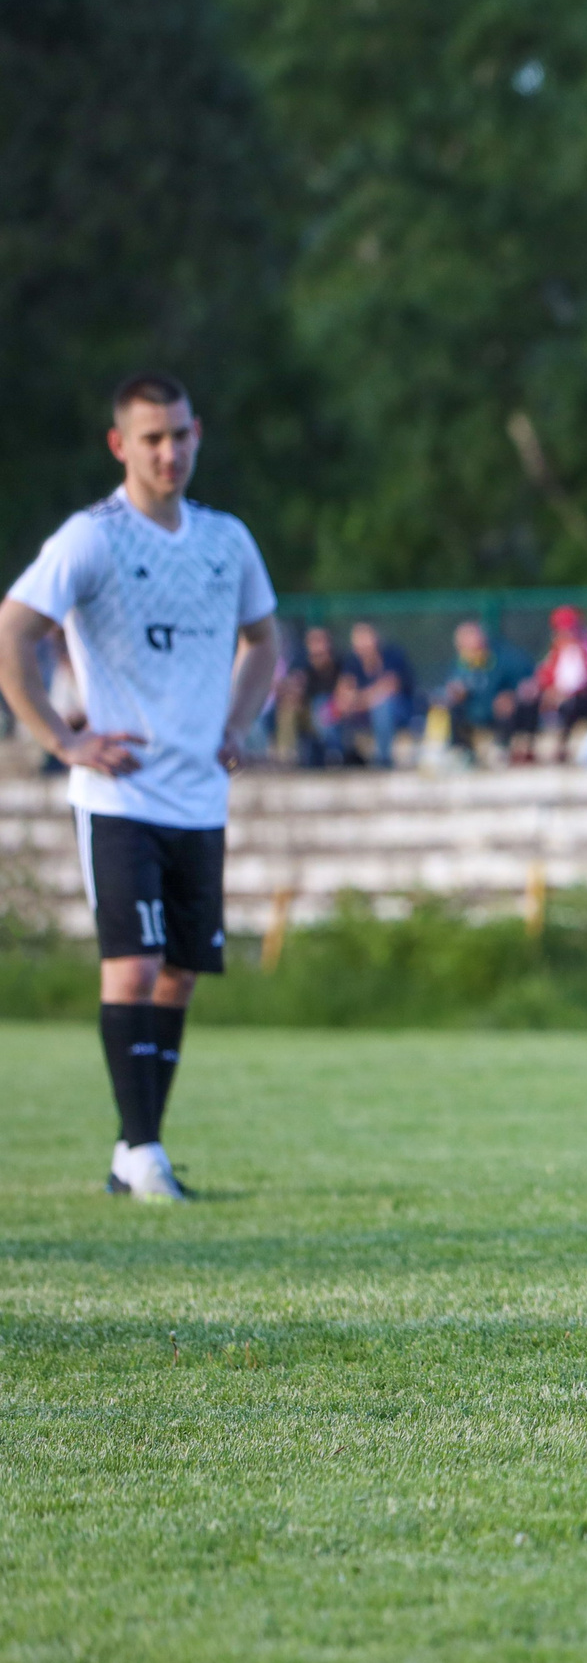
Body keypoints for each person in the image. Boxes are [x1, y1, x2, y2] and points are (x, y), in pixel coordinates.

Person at [0, 372, 280, 1202]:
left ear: (200, 434)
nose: (171, 451)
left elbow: (262, 639)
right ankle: (144, 1147)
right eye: (152, 438)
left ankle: (137, 1154)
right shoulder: (92, 538)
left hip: (200, 795)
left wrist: (235, 723)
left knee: (179, 972)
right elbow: (12, 629)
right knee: (132, 964)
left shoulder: (227, 539)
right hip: (120, 796)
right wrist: (61, 738)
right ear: (121, 445)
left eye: (182, 434)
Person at [523, 606, 587, 753]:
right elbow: (544, 674)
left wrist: (558, 693)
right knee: (527, 701)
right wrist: (536, 688)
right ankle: (526, 747)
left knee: (566, 704)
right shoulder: (557, 648)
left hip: (582, 698)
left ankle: (562, 745)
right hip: (557, 696)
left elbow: (585, 680)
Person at [438, 619, 530, 757]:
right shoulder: (459, 664)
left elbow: (523, 681)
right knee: (448, 706)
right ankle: (460, 750)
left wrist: (510, 694)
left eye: (473, 636)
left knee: (504, 704)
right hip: (472, 709)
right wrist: (456, 693)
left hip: (498, 710)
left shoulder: (501, 657)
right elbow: (452, 688)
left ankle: (501, 747)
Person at [346, 621, 415, 766]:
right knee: (326, 709)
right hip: (363, 712)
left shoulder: (392, 655)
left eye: (366, 637)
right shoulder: (352, 662)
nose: (363, 644)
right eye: (358, 639)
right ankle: (338, 756)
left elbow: (390, 687)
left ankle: (383, 760)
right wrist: (359, 701)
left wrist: (361, 700)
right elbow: (345, 694)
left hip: (401, 711)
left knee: (382, 707)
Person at [282, 624, 351, 766]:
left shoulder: (339, 663)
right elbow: (292, 692)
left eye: (321, 642)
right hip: (307, 713)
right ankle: (286, 756)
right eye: (313, 642)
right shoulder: (301, 663)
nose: (317, 647)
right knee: (289, 710)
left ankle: (334, 753)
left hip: (334, 712)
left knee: (321, 705)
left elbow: (345, 692)